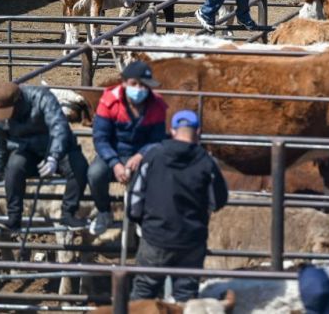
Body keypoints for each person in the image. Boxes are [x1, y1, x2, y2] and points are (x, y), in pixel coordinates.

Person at [128, 110, 229, 301]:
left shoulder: (153, 155)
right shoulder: (207, 162)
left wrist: (142, 223)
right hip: (190, 240)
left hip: (155, 236)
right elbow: (218, 200)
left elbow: (135, 198)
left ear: (172, 130)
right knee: (186, 296)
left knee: (143, 291)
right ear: (197, 131)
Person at [0, 82, 88, 231]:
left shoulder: (41, 97)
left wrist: (53, 157)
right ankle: (14, 217)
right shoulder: (1, 115)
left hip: (55, 146)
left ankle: (68, 213)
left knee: (78, 167)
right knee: (14, 168)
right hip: (26, 150)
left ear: (19, 100)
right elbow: (1, 142)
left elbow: (58, 126)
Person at [88, 61, 167, 235]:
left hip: (142, 151)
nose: (139, 89)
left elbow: (158, 138)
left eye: (143, 85)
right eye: (134, 84)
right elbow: (101, 138)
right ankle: (103, 211)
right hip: (113, 151)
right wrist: (115, 163)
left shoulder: (157, 104)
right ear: (124, 83)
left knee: (152, 174)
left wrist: (140, 155)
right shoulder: (109, 101)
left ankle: (141, 215)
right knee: (95, 174)